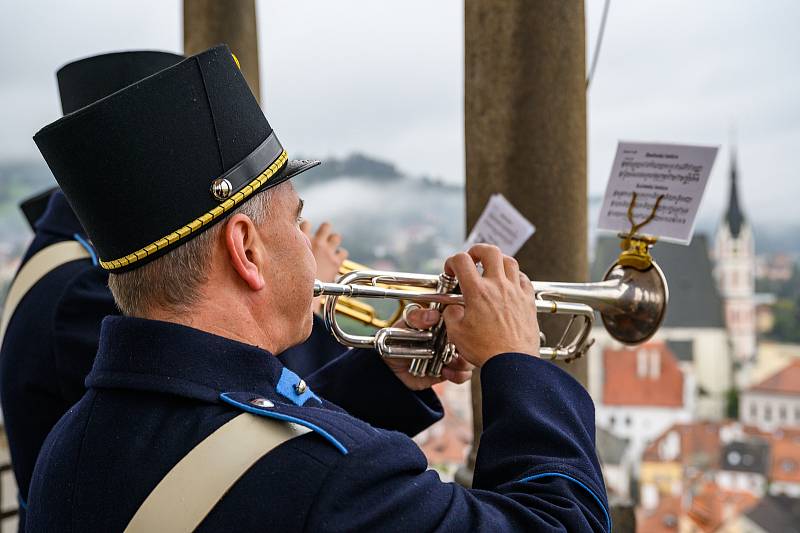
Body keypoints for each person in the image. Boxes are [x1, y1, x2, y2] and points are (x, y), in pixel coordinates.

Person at [27, 44, 608, 531]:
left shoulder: (67, 448)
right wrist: (517, 362)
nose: (311, 245)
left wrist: (389, 378)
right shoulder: (338, 478)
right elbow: (561, 521)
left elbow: (250, 444)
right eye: (298, 221)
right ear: (246, 249)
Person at [0, 51, 407, 529]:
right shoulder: (78, 290)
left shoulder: (68, 264)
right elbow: (234, 424)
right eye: (295, 219)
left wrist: (395, 374)